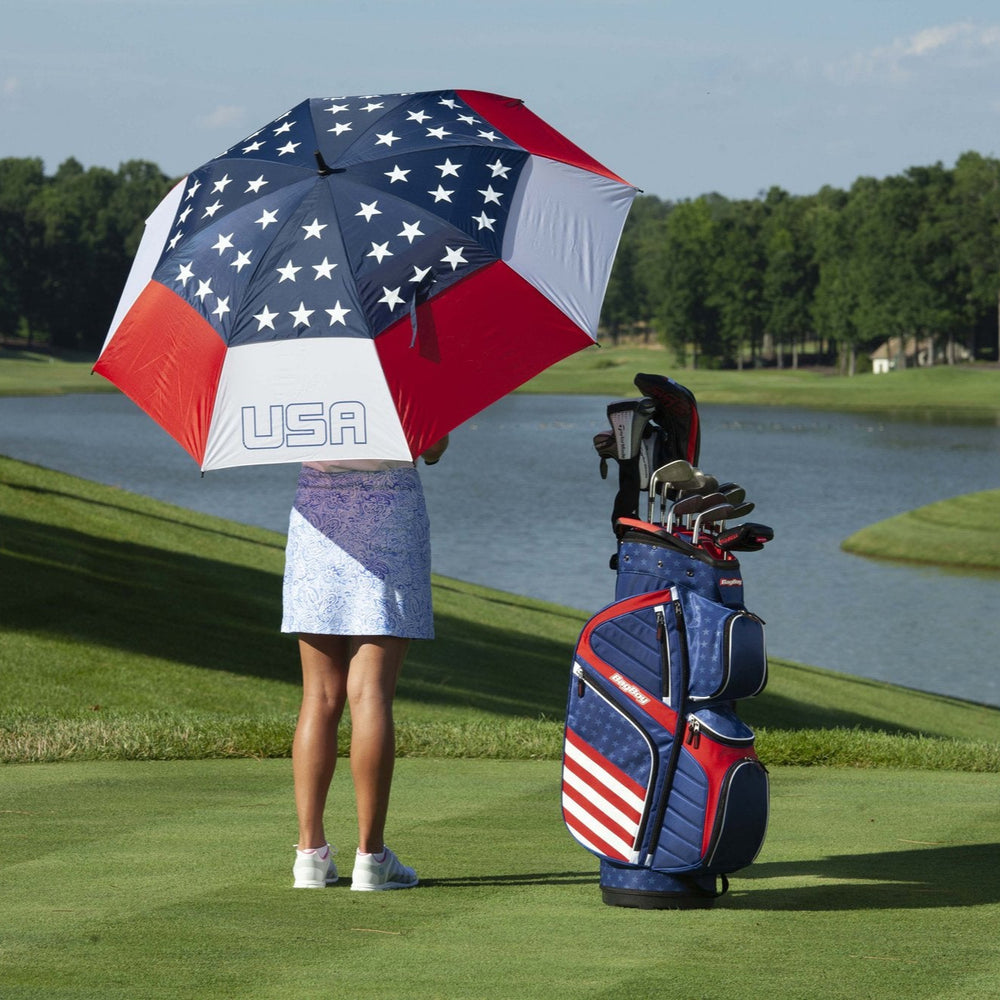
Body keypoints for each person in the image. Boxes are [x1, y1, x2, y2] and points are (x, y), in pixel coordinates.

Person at [281, 434, 450, 890]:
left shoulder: (302, 367)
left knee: (319, 694)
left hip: (317, 510)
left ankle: (309, 857)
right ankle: (371, 859)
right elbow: (433, 447)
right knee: (370, 692)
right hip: (390, 508)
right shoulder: (405, 366)